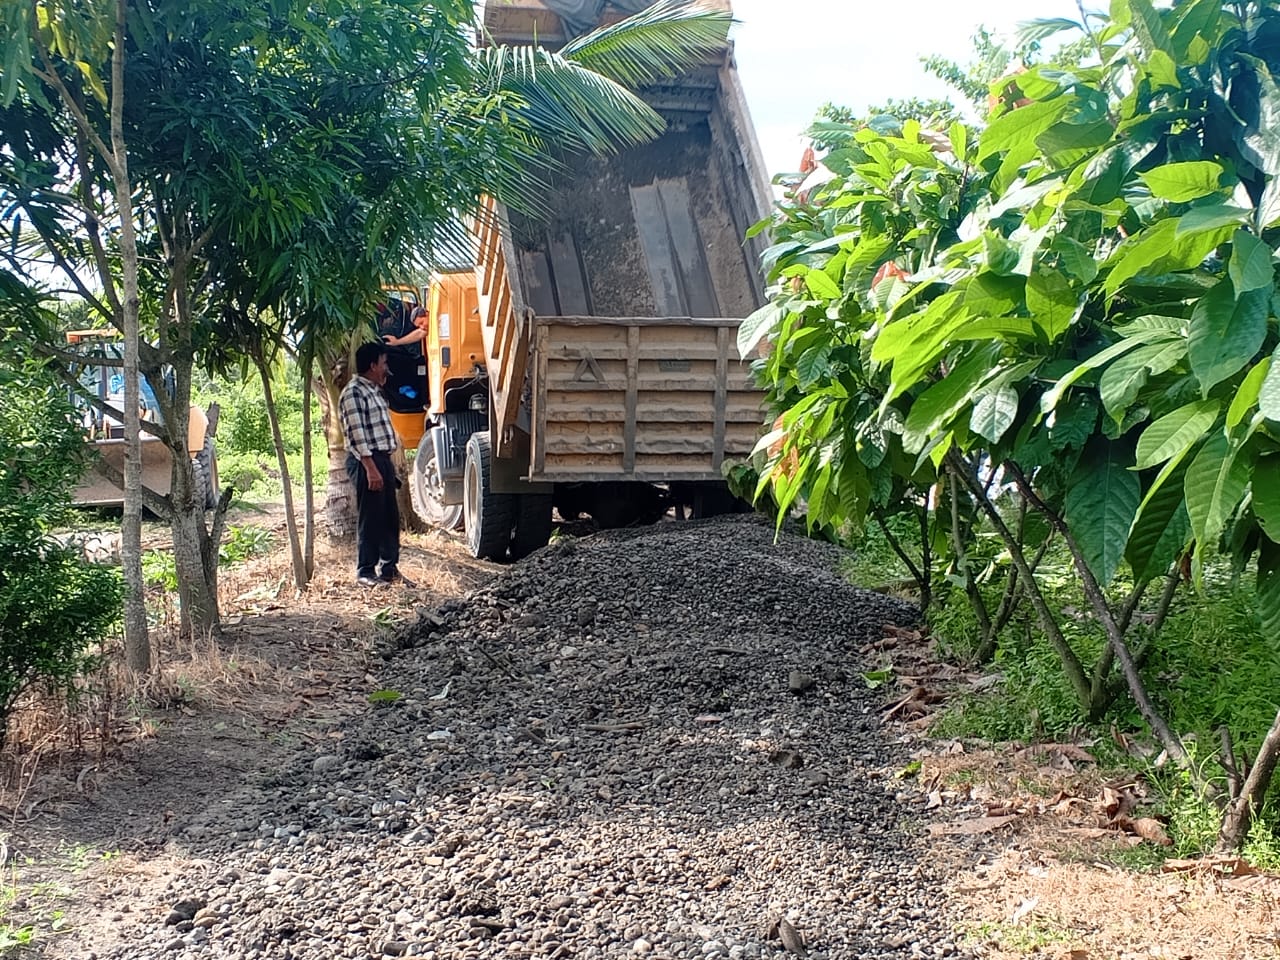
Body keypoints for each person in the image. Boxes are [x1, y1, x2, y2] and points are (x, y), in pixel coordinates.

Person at [339, 342, 415, 588]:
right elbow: (357, 434)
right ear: (372, 365)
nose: (386, 368)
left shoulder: (373, 390)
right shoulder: (354, 393)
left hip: (381, 459)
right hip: (366, 461)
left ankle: (389, 568)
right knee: (371, 517)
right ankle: (365, 571)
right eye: (384, 363)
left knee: (389, 517)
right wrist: (371, 468)